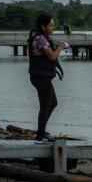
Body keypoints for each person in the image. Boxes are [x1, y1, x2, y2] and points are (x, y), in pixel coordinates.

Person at [27, 13, 67, 143]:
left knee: (53, 103)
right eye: (50, 25)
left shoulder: (43, 37)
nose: (52, 28)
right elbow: (51, 56)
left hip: (42, 77)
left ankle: (42, 131)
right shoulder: (40, 39)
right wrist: (61, 47)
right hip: (40, 77)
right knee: (45, 106)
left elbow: (51, 58)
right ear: (43, 27)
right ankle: (40, 135)